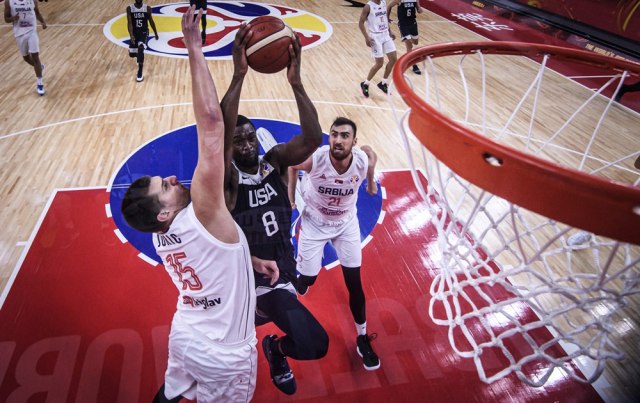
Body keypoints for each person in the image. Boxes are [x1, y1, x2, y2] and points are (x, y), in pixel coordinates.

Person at [121, 6, 264, 403]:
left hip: (187, 331)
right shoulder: (203, 212)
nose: (171, 178)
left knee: (171, 394)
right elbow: (213, 126)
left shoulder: (161, 233)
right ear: (164, 212)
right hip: (223, 352)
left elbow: (210, 257)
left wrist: (248, 260)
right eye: (164, 187)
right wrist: (193, 47)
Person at [220, 22, 329, 396]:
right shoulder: (228, 180)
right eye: (238, 140)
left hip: (282, 271)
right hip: (248, 280)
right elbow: (222, 133)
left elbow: (312, 139)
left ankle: (275, 350)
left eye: (250, 136)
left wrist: (296, 83)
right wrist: (239, 75)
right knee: (224, 348)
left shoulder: (276, 161)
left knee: (309, 342)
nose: (247, 144)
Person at [288, 117, 380, 371]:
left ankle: (362, 337)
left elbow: (371, 154)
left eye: (344, 136)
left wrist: (371, 180)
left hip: (345, 224)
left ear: (354, 141)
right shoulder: (316, 159)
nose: (338, 140)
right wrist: (291, 198)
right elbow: (292, 166)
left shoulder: (361, 160)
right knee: (307, 279)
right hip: (314, 223)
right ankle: (302, 280)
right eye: (334, 134)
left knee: (354, 282)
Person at [5, 0, 47, 96]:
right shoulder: (9, 2)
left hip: (32, 31)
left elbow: (37, 13)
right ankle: (39, 67)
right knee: (26, 58)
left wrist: (43, 22)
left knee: (35, 56)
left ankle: (40, 84)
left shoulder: (33, 1)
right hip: (19, 33)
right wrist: (13, 18)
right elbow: (6, 19)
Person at [358, 0, 397, 97]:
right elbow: (361, 23)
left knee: (393, 59)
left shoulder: (383, 2)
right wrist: (366, 37)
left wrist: (390, 31)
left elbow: (385, 18)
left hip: (385, 34)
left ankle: (383, 83)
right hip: (375, 37)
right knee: (379, 63)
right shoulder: (368, 6)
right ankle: (365, 83)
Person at [387, 0, 422, 75]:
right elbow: (389, 6)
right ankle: (413, 65)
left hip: (412, 23)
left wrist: (420, 9)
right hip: (403, 24)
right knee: (409, 43)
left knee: (415, 42)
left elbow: (419, 10)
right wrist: (387, 18)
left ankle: (409, 55)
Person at [127, 0, 159, 82]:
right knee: (132, 54)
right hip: (135, 33)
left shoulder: (147, 8)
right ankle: (139, 56)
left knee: (141, 48)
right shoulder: (130, 8)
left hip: (143, 32)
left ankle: (140, 72)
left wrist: (155, 33)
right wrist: (131, 35)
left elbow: (151, 21)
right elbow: (129, 23)